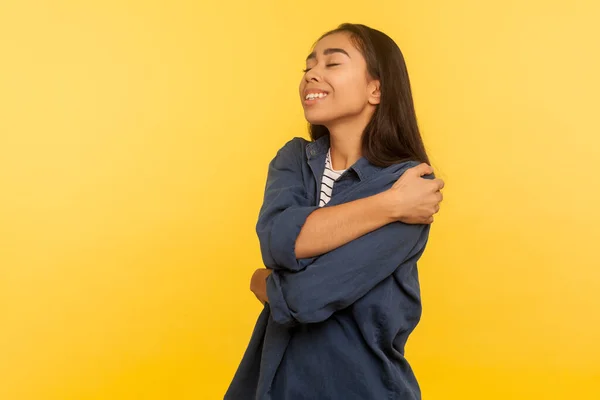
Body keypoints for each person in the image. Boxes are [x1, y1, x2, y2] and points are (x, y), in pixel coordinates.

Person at [225, 23, 444, 400]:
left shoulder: (413, 184)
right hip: (271, 386)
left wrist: (264, 282)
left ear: (376, 88)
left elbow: (306, 299)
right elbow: (278, 243)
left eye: (333, 63)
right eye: (309, 65)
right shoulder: (295, 160)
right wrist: (389, 205)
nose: (313, 73)